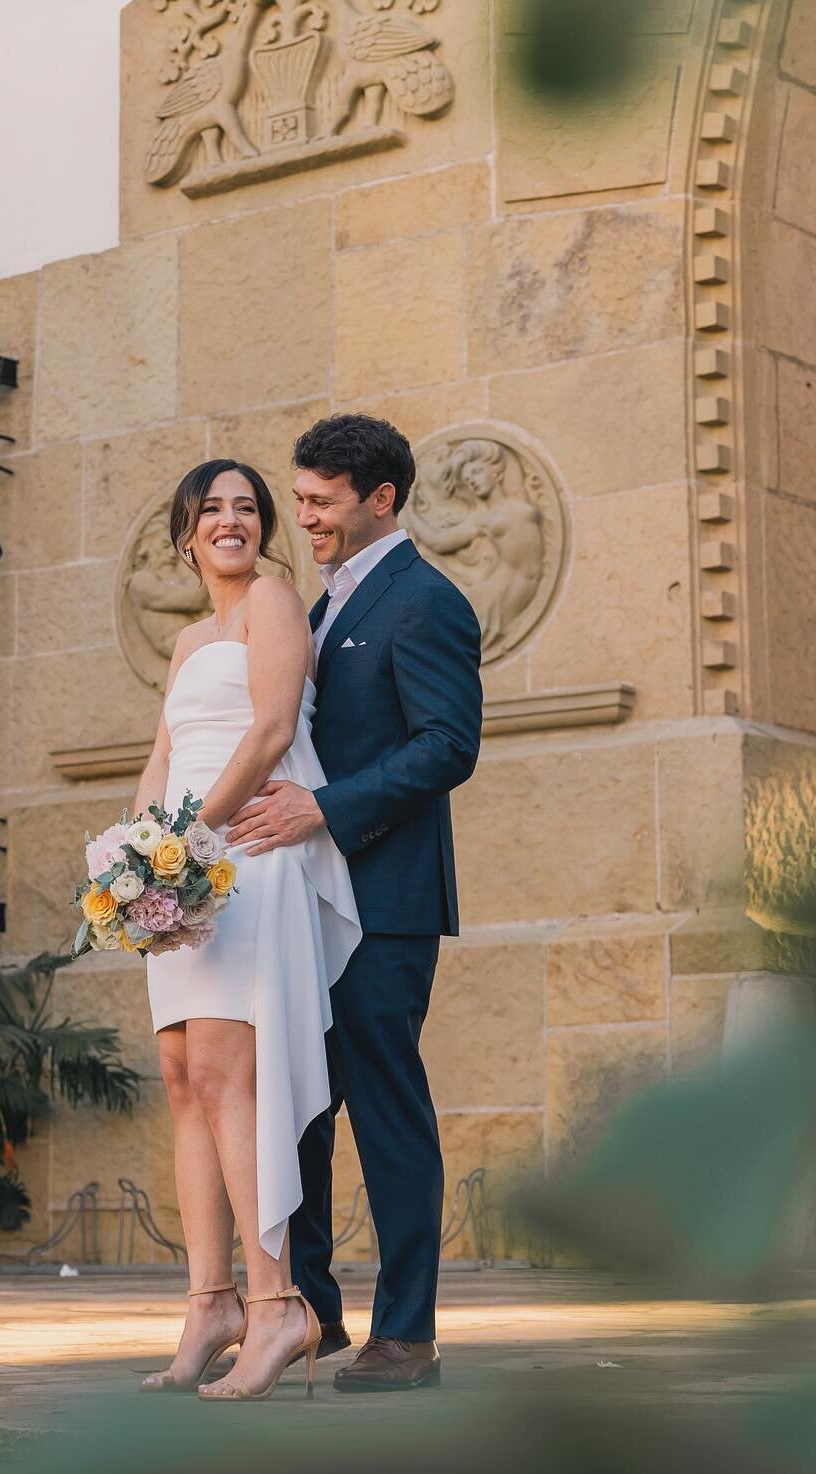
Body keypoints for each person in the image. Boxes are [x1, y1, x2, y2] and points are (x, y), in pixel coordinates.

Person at [226, 413, 483, 1393]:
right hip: (309, 903)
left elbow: (446, 745)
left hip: (386, 899)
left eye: (322, 501)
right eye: (300, 499)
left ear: (380, 497)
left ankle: (407, 1331)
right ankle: (314, 1314)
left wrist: (323, 810)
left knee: (385, 1109)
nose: (306, 517)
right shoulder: (327, 603)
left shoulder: (427, 600)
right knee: (296, 1106)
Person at [136, 458, 362, 1402]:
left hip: (250, 858)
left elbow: (269, 730)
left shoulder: (273, 601)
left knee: (233, 1073)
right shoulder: (188, 639)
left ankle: (278, 1305)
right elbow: (163, 757)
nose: (230, 520)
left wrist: (191, 837)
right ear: (186, 533)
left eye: (246, 508)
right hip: (183, 870)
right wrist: (134, 860)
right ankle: (211, 1301)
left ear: (261, 529)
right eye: (211, 509)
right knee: (185, 1073)